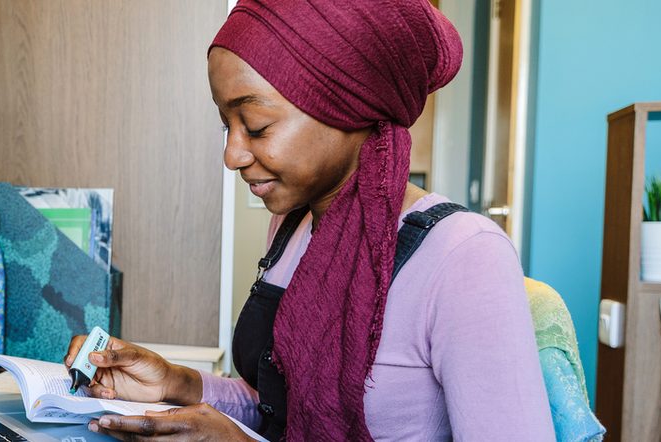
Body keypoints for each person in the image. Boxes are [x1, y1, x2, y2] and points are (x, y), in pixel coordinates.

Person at [64, 0, 555, 440]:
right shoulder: (292, 226)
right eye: (225, 125)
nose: (232, 154)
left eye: (255, 126)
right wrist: (177, 383)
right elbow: (283, 409)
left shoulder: (463, 256)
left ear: (350, 107)